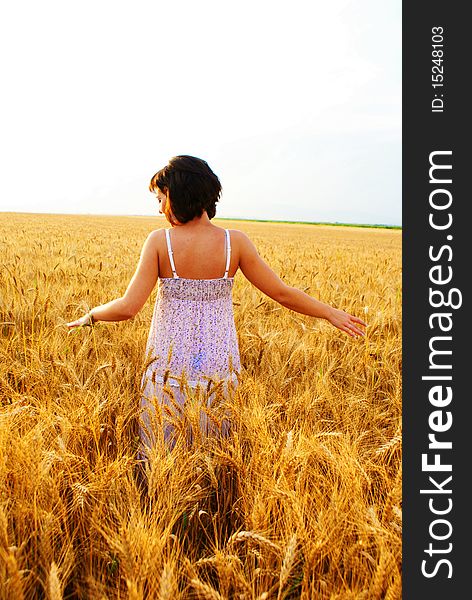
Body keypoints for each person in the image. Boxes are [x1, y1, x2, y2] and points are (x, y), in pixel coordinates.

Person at [66, 155, 368, 459]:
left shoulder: (160, 242)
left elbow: (129, 307)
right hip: (218, 367)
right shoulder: (234, 242)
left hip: (169, 368)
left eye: (161, 199)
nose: (159, 209)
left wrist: (92, 315)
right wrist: (329, 312)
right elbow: (282, 292)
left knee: (164, 454)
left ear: (177, 195)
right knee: (215, 452)